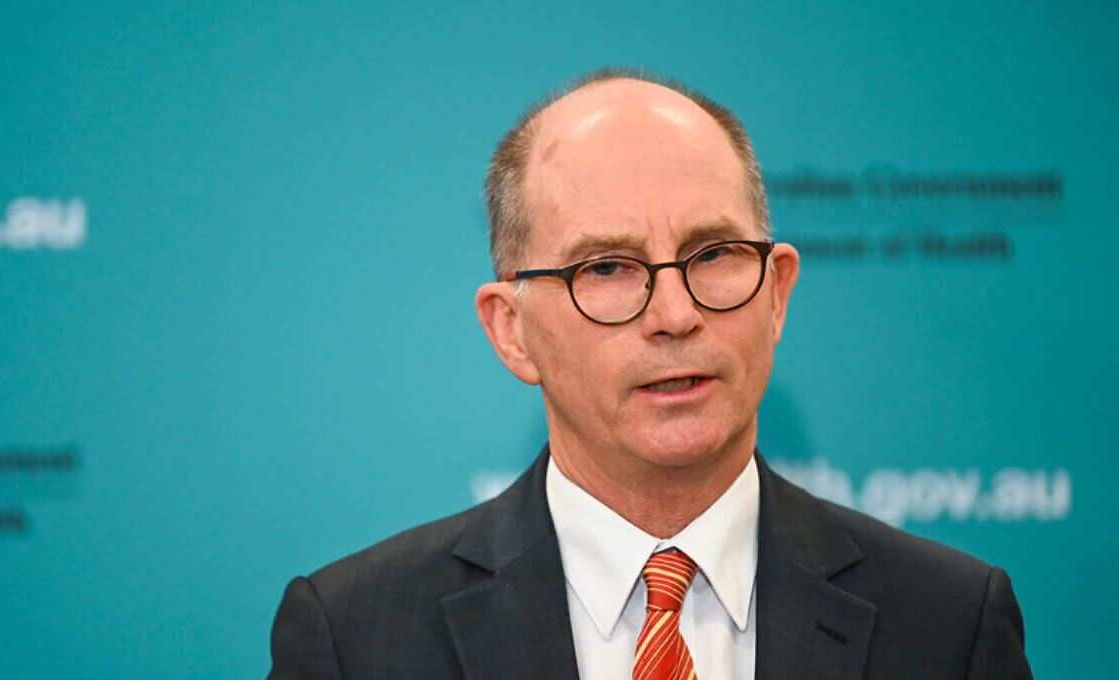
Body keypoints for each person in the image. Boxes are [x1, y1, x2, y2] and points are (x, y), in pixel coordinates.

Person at [267, 70, 1033, 679]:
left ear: (776, 294)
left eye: (713, 255)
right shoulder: (354, 638)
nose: (673, 312)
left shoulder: (947, 623)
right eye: (607, 267)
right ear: (512, 330)